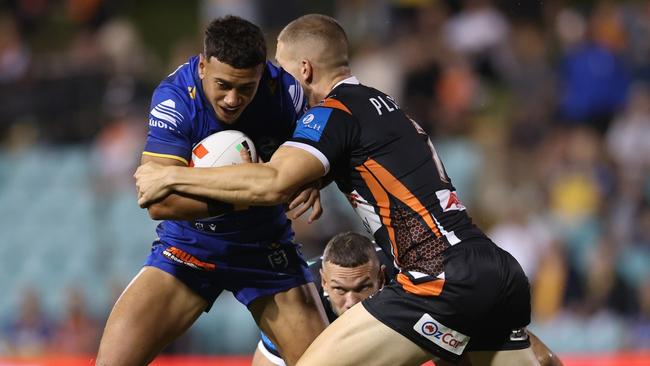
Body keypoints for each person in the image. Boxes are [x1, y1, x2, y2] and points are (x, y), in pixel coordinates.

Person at [134, 14, 556, 366]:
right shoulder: (382, 104)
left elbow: (273, 181)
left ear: (305, 70)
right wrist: (313, 177)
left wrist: (171, 176)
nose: (280, 84)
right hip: (493, 269)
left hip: (436, 278)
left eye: (283, 70)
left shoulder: (333, 113)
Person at [96, 16, 329, 366]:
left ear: (262, 75)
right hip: (187, 248)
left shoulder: (286, 94)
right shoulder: (175, 98)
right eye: (223, 85)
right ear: (203, 66)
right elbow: (159, 203)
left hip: (266, 249)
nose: (233, 99)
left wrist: (314, 177)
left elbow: (318, 157)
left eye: (245, 88)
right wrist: (253, 192)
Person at [253, 231, 393, 366]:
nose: (351, 302)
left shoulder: (407, 277)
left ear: (381, 278)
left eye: (362, 288)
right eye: (340, 289)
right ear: (324, 282)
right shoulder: (299, 299)